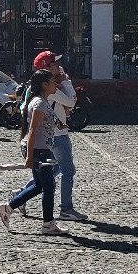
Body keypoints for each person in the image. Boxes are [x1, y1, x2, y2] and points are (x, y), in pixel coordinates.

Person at [15, 51, 86, 221]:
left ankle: (21, 195)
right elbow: (71, 101)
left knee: (53, 170)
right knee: (67, 170)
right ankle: (66, 209)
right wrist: (66, 81)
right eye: (54, 63)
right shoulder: (50, 88)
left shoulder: (46, 85)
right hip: (56, 134)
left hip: (54, 132)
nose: (59, 66)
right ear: (47, 68)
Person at [0, 69, 69, 235]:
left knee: (39, 185)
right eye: (53, 81)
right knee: (49, 186)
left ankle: (9, 207)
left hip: (43, 148)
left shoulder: (43, 101)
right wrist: (30, 156)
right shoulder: (39, 103)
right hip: (39, 149)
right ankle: (48, 224)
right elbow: (32, 130)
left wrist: (59, 125)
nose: (56, 84)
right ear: (44, 85)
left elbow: (46, 121)